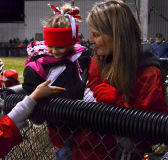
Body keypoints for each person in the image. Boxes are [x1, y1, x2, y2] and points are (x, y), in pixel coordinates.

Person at [49, 0, 168, 159]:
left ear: (117, 35)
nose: (90, 40)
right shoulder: (96, 62)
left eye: (96, 35)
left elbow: (153, 136)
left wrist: (118, 106)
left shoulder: (148, 74)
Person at [22, 3, 91, 160]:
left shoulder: (81, 56)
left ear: (71, 43)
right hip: (60, 120)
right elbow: (30, 86)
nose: (53, 51)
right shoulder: (41, 63)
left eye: (59, 47)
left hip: (79, 120)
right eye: (50, 46)